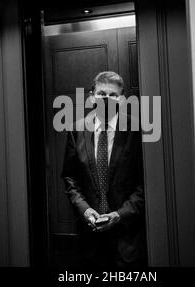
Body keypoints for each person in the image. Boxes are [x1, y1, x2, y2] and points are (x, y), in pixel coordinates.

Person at [61, 71, 146, 268]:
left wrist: (119, 215)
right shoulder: (77, 129)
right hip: (89, 236)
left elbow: (145, 183)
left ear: (122, 99)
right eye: (101, 93)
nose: (106, 99)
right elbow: (70, 178)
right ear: (92, 97)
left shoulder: (136, 131)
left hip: (126, 236)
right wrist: (85, 210)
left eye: (113, 95)